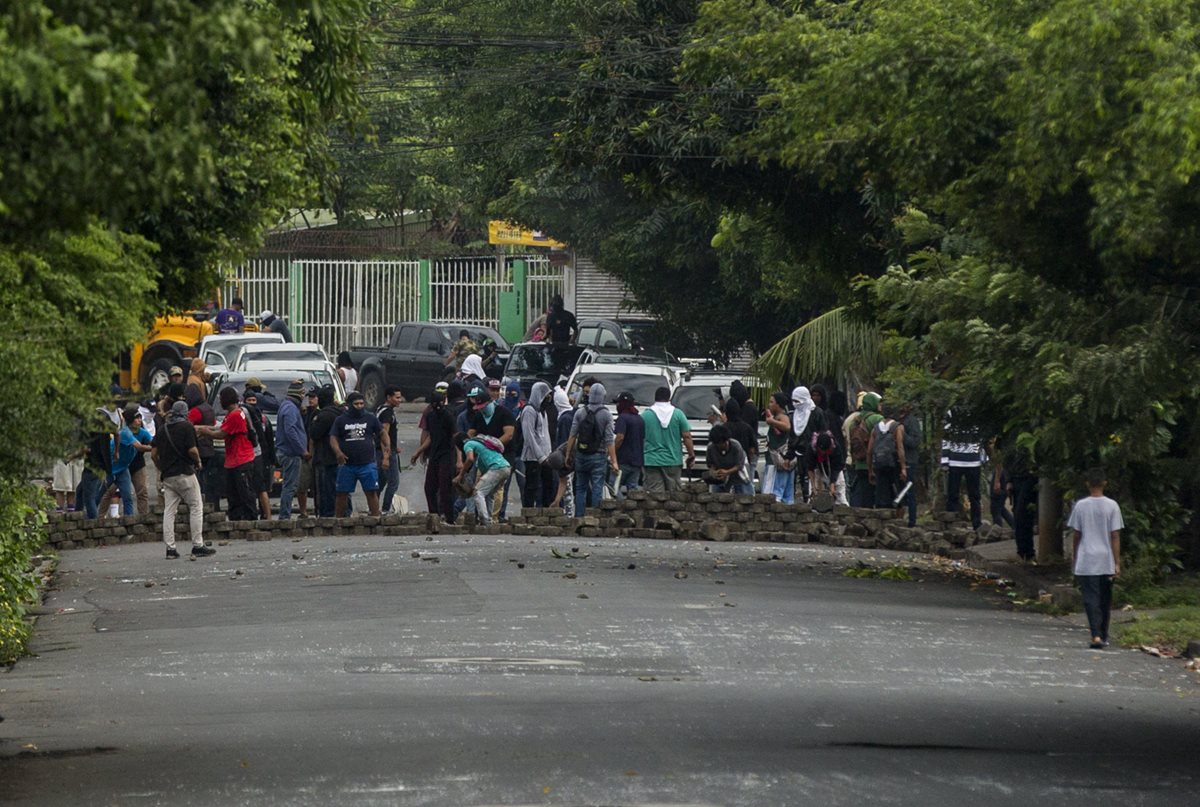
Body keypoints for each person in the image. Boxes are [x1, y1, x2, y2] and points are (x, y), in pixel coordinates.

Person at [1068, 467, 1123, 649]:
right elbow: (1115, 535)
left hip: (1087, 558)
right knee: (1105, 599)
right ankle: (1103, 634)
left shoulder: (1081, 506)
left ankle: (1096, 635)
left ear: (1087, 484)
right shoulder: (1112, 506)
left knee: (1090, 598)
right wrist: (1117, 562)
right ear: (1105, 483)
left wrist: (1075, 557)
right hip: (1106, 558)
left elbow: (1076, 535)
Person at [152, 401, 215, 558]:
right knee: (195, 506)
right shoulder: (186, 427)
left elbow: (153, 454)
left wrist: (161, 467)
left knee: (169, 511)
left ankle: (170, 549)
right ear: (185, 413)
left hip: (168, 476)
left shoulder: (162, 429)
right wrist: (198, 461)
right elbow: (192, 450)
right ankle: (197, 545)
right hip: (185, 473)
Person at [196, 387, 258, 521]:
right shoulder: (233, 414)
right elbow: (222, 428)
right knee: (233, 493)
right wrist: (204, 428)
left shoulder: (235, 415)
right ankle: (236, 518)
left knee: (245, 492)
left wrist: (205, 432)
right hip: (234, 460)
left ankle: (251, 519)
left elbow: (221, 434)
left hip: (241, 459)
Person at [331, 391, 387, 517]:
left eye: (362, 403)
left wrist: (387, 448)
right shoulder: (341, 420)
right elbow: (333, 437)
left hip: (367, 463)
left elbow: (382, 432)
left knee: (371, 492)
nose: (360, 406)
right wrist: (338, 452)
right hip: (347, 464)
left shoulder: (370, 418)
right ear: (350, 405)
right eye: (356, 404)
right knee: (341, 493)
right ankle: (339, 520)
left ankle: (375, 518)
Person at [566, 383, 618, 517]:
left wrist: (568, 454)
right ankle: (594, 517)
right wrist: (614, 461)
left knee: (580, 487)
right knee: (597, 487)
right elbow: (609, 440)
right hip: (598, 455)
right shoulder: (606, 415)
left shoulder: (580, 412)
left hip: (581, 454)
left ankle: (578, 516)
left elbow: (572, 435)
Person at [412, 383, 459, 524]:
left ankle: (449, 518)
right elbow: (431, 437)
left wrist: (459, 460)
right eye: (434, 404)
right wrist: (419, 451)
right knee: (429, 487)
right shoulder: (431, 416)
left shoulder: (448, 416)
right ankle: (434, 515)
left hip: (447, 454)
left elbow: (456, 437)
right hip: (434, 454)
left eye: (439, 404)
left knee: (445, 488)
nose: (437, 407)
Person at [640, 386, 694, 492]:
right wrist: (691, 454)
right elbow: (687, 436)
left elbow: (639, 438)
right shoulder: (678, 414)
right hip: (673, 461)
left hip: (652, 461)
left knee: (654, 496)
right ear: (669, 398)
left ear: (655, 398)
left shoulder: (645, 415)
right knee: (674, 496)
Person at [454, 432, 511, 525]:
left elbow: (469, 459)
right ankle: (489, 519)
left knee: (478, 493)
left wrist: (461, 475)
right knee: (489, 494)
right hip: (506, 467)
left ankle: (485, 521)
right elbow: (485, 475)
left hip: (497, 468)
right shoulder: (481, 445)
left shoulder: (468, 444)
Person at [942, 413, 984, 530]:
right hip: (957, 461)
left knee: (974, 494)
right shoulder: (951, 415)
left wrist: (982, 457)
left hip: (972, 461)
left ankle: (976, 523)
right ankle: (952, 522)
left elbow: (982, 439)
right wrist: (945, 461)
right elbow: (946, 440)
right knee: (953, 493)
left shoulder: (976, 415)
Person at [275, 380, 308, 520]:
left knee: (289, 485)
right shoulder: (290, 409)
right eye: (302, 394)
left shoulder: (288, 406)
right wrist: (302, 450)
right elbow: (290, 431)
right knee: (290, 486)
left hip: (288, 452)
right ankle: (284, 516)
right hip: (290, 453)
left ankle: (285, 514)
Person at [519, 381, 555, 508]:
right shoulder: (529, 411)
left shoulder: (542, 411)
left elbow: (545, 435)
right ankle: (528, 511)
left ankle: (545, 512)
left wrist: (548, 454)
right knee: (531, 487)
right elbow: (529, 437)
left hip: (546, 456)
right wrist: (540, 456)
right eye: (546, 396)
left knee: (547, 486)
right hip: (533, 457)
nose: (548, 399)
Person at [844, 392, 883, 507]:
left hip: (859, 463)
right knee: (878, 495)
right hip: (873, 463)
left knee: (864, 495)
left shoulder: (854, 420)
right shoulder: (877, 419)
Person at [308, 386, 341, 518]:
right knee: (340, 489)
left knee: (325, 490)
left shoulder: (323, 416)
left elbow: (314, 434)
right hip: (340, 457)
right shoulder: (341, 412)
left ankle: (326, 514)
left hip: (325, 457)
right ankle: (342, 512)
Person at [241, 388, 274, 519]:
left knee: (262, 488)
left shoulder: (264, 419)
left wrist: (271, 459)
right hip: (250, 455)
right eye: (249, 401)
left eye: (254, 401)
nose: (252, 403)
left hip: (261, 456)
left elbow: (269, 440)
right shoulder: (244, 416)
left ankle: (267, 515)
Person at [866, 401, 907, 509]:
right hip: (893, 463)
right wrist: (903, 467)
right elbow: (900, 448)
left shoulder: (875, 428)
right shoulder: (897, 427)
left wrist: (870, 469)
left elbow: (869, 451)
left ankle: (881, 511)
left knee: (881, 490)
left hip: (879, 463)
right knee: (895, 489)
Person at [184, 385, 219, 508]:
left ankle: (200, 503)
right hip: (209, 446)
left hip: (199, 447)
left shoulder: (195, 411)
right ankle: (211, 503)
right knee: (208, 478)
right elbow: (214, 424)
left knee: (199, 479)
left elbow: (187, 426)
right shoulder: (209, 408)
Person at [762, 392, 795, 503]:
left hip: (776, 461)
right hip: (781, 460)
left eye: (772, 402)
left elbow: (787, 426)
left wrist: (772, 421)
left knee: (772, 494)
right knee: (786, 496)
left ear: (778, 405)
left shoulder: (782, 417)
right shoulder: (777, 417)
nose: (769, 405)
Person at [376, 386, 403, 514]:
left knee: (381, 482)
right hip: (385, 452)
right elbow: (383, 435)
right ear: (388, 397)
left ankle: (374, 507)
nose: (400, 400)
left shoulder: (381, 409)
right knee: (393, 482)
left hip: (383, 450)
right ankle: (385, 510)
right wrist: (386, 456)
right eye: (397, 397)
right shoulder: (387, 413)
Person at [706, 423, 753, 495]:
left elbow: (739, 465)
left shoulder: (736, 446)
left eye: (723, 443)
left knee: (745, 494)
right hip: (721, 477)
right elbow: (711, 464)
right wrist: (714, 473)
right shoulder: (711, 448)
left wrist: (727, 472)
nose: (722, 445)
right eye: (718, 444)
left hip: (739, 474)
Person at [613, 391, 645, 496]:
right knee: (633, 491)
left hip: (623, 461)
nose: (617, 406)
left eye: (618, 403)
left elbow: (620, 437)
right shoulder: (640, 419)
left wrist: (611, 453)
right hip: (637, 461)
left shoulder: (622, 418)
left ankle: (620, 507)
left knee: (613, 487)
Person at [897, 401, 923, 526]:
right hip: (898, 462)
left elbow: (915, 441)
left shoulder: (911, 421)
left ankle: (911, 521)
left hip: (910, 462)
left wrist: (902, 435)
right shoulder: (897, 421)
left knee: (909, 491)